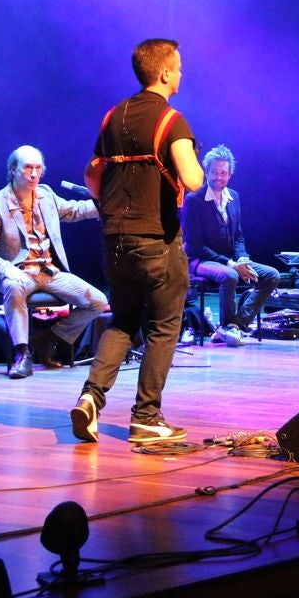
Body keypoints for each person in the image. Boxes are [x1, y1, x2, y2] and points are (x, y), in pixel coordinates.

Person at [69, 38, 203, 445]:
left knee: (124, 320)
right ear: (164, 73)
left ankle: (90, 398)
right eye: (178, 67)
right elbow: (194, 179)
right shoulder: (172, 121)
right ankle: (146, 417)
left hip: (113, 237)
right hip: (156, 240)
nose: (181, 73)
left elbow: (93, 176)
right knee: (164, 327)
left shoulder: (113, 116)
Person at [0, 145, 109, 379]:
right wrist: (4, 268)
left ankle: (52, 338)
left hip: (50, 272)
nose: (34, 174)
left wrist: (103, 203)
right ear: (13, 170)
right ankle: (22, 354)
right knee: (13, 286)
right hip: (18, 273)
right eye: (28, 168)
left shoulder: (46, 195)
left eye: (38, 168)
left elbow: (74, 210)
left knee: (98, 301)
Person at [182, 144, 280, 346]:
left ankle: (236, 325)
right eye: (214, 172)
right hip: (200, 260)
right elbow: (194, 246)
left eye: (223, 173)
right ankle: (227, 326)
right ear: (206, 172)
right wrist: (231, 264)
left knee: (272, 275)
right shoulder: (194, 201)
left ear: (230, 174)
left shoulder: (233, 197)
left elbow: (239, 237)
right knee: (231, 275)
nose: (219, 177)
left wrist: (242, 258)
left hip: (230, 260)